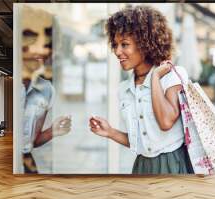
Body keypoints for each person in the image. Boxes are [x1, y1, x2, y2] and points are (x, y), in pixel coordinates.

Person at [89, 5, 194, 174]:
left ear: (145, 44)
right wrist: (109, 132)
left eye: (124, 44)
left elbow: (166, 122)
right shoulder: (125, 89)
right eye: (115, 45)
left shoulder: (172, 76)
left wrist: (154, 78)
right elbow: (141, 142)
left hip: (173, 164)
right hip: (142, 166)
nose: (117, 51)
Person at [21, 6, 71, 173]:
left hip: (28, 164)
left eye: (48, 43)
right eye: (32, 39)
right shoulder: (15, 86)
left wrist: (52, 131)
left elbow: (32, 141)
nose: (42, 49)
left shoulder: (46, 89)